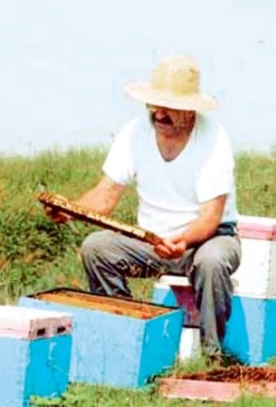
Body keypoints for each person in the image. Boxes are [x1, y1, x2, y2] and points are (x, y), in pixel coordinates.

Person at [46, 55, 240, 360]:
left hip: (208, 239)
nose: (159, 114)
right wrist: (69, 209)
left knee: (212, 262)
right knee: (97, 247)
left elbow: (210, 216)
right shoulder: (134, 133)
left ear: (190, 111)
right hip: (151, 241)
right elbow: (105, 196)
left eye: (169, 107)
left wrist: (183, 242)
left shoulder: (214, 137)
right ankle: (124, 340)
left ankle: (213, 357)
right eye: (155, 105)